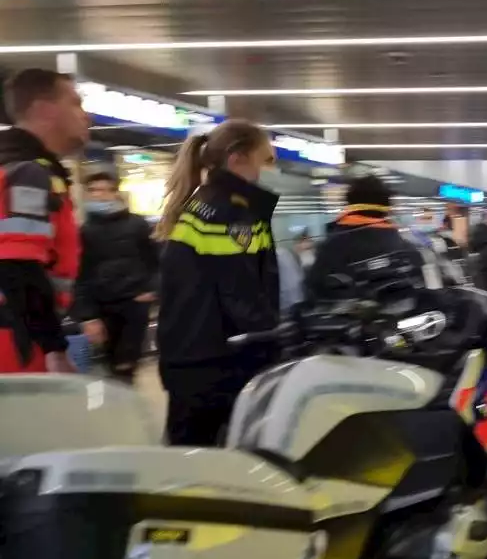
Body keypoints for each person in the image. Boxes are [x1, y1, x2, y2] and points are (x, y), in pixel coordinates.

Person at [155, 119, 281, 446]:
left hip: (192, 360)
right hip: (215, 366)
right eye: (266, 160)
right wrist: (277, 343)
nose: (271, 170)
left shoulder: (206, 205)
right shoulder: (229, 214)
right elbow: (241, 295)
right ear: (238, 159)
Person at [0, 68, 89, 375]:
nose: (85, 115)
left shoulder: (12, 166)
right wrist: (54, 348)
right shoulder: (27, 173)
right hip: (17, 342)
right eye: (75, 103)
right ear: (44, 109)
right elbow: (16, 264)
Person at [73, 171, 158, 382]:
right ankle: (106, 408)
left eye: (104, 190)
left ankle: (125, 408)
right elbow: (81, 276)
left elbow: (156, 261)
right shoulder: (85, 231)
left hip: (133, 305)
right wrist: (88, 316)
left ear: (115, 193)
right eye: (93, 190)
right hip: (102, 309)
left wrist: (152, 289)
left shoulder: (137, 225)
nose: (99, 195)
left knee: (125, 366)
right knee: (103, 368)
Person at [307, 175, 421, 295]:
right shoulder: (408, 249)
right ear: (387, 206)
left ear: (349, 204)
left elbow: (315, 287)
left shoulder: (333, 246)